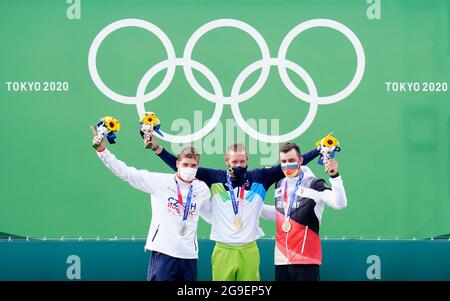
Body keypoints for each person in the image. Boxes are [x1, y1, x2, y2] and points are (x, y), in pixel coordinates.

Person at [149, 135, 320, 281]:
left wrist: (320, 150)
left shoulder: (260, 177)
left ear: (247, 161)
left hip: (249, 250)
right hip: (223, 250)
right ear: (227, 161)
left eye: (242, 161)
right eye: (235, 161)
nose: (239, 165)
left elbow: (290, 164)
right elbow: (181, 166)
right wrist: (157, 149)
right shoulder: (214, 177)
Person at [92, 133, 211, 281]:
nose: (189, 169)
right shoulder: (160, 182)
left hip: (189, 256)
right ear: (177, 164)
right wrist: (103, 152)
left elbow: (212, 216)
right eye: (185, 164)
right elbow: (127, 173)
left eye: (193, 166)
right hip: (164, 253)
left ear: (197, 167)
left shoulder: (202, 189)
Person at [262, 142, 347, 281]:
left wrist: (335, 177)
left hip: (306, 262)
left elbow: (340, 204)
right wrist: (254, 207)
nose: (287, 165)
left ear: (300, 160)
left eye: (291, 160)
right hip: (281, 261)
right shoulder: (279, 184)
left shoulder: (315, 184)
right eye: (283, 161)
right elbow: (279, 214)